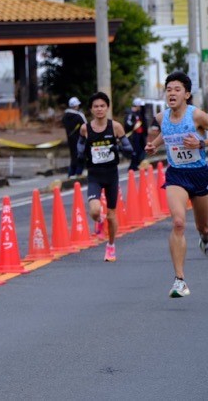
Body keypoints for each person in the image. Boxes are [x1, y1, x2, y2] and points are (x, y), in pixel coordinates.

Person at [145, 71, 208, 298]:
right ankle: (179, 280)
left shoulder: (197, 116)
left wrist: (201, 144)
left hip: (201, 174)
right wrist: (154, 145)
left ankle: (205, 239)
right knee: (179, 223)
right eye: (168, 89)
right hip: (176, 176)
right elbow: (166, 134)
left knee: (204, 228)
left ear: (187, 94)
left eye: (177, 89)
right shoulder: (162, 118)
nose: (171, 93)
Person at [77, 92, 134, 263]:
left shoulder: (116, 127)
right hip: (94, 174)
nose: (99, 109)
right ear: (91, 109)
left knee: (111, 215)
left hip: (111, 175)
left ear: (107, 108)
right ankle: (98, 220)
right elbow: (79, 149)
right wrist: (81, 155)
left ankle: (111, 246)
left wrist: (119, 148)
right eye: (96, 106)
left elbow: (129, 149)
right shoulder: (85, 128)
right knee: (94, 210)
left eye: (102, 106)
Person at [62, 96, 87, 178]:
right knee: (81, 156)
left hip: (70, 140)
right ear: (76, 106)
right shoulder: (79, 116)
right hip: (81, 139)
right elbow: (86, 126)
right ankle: (78, 173)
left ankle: (70, 174)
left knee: (73, 157)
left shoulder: (65, 116)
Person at [124, 97, 148, 171]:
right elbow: (128, 124)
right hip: (134, 136)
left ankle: (139, 164)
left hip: (141, 135)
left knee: (142, 150)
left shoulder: (141, 114)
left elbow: (144, 123)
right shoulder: (130, 113)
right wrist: (133, 125)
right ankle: (133, 166)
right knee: (135, 151)